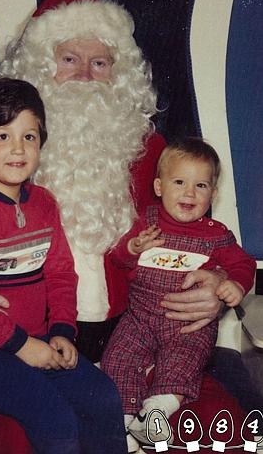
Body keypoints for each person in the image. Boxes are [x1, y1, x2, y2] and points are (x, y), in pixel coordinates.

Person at [0, 0, 250, 453]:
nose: (84, 75)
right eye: (69, 58)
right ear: (41, 66)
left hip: (141, 334)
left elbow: (202, 235)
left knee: (225, 437)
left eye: (100, 64)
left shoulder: (153, 154)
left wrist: (218, 284)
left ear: (119, 76)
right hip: (18, 340)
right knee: (35, 436)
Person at [0, 77, 127, 454]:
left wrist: (62, 331)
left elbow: (59, 274)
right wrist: (22, 345)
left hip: (35, 340)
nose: (18, 148)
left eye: (29, 136)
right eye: (2, 136)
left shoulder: (44, 204)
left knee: (103, 397)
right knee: (53, 418)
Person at [101, 138, 256, 450]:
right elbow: (117, 258)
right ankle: (124, 420)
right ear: (159, 187)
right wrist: (132, 248)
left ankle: (157, 411)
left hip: (187, 325)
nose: (189, 193)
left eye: (201, 185)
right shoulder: (145, 222)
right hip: (140, 317)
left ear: (212, 193)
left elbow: (244, 263)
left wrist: (235, 283)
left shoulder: (217, 235)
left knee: (183, 361)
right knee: (118, 357)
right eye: (180, 182)